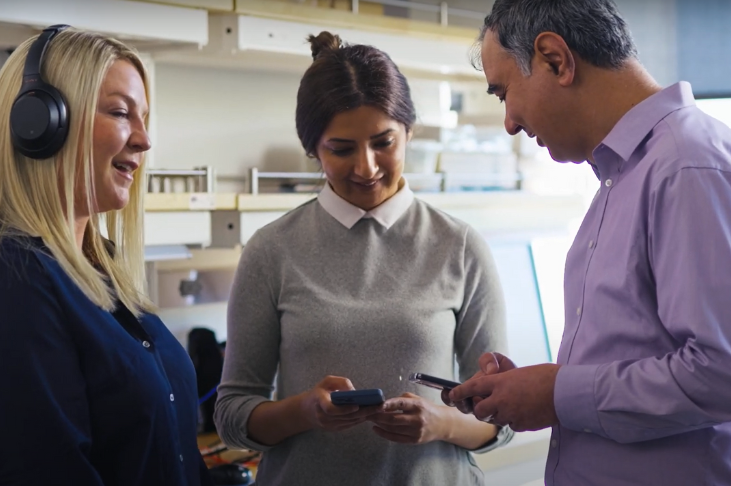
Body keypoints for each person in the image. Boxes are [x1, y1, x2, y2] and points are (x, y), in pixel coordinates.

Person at [447, 1, 731, 485]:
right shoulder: (627, 176)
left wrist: (558, 393)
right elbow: (643, 354)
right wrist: (534, 387)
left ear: (555, 59)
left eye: (504, 93)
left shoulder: (689, 167)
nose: (509, 122)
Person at [214, 32, 513, 486]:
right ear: (312, 148)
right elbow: (232, 413)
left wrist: (440, 422)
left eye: (383, 142)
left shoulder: (461, 246)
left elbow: (501, 414)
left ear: (409, 132)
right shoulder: (271, 250)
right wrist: (304, 411)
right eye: (342, 148)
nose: (367, 167)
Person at [0, 26, 213, 486]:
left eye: (145, 118)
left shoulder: (100, 268)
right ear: (41, 123)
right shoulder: (3, 285)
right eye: (121, 113)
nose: (143, 139)